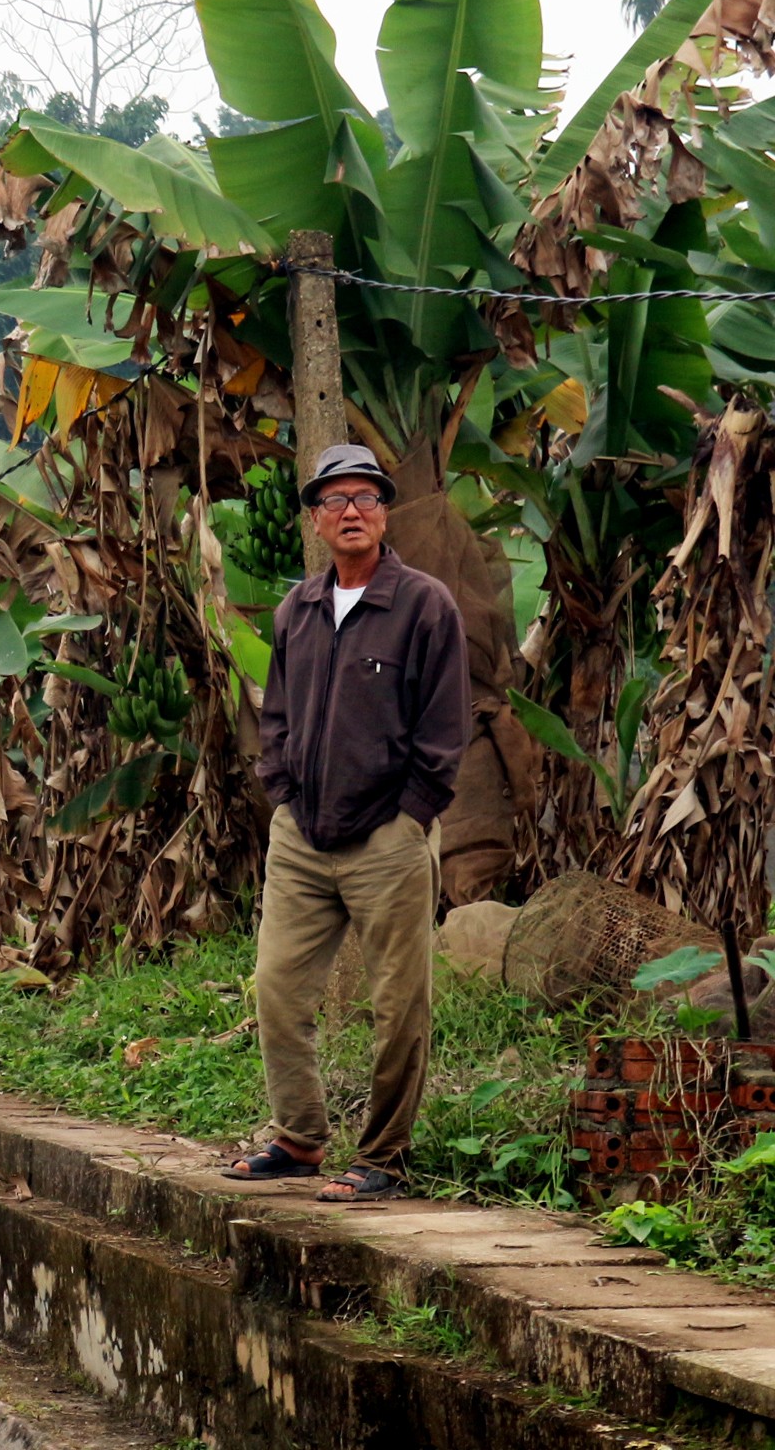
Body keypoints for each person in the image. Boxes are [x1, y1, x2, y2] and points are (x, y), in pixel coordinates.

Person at [227, 443, 470, 1202]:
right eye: (335, 501)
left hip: (386, 840)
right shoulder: (296, 609)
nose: (352, 512)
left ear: (384, 513)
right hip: (301, 836)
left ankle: (384, 1157)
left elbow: (445, 729)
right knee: (276, 987)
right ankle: (299, 1139)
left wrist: (410, 818)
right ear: (316, 520)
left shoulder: (424, 605)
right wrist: (281, 791)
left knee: (398, 1001)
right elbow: (277, 715)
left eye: (366, 498)